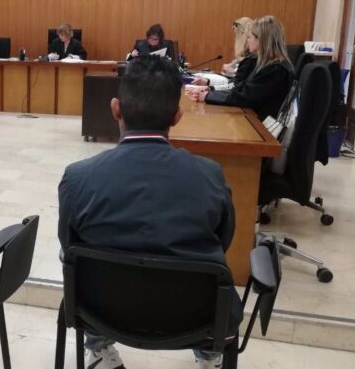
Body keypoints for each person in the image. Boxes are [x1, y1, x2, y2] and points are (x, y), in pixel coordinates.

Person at [58, 55, 241, 369]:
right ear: (177, 116)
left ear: (116, 109)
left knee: (75, 257)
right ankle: (210, 355)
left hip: (100, 311)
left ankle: (99, 349)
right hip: (196, 316)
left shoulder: (77, 177)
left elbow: (67, 242)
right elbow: (223, 240)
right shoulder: (211, 175)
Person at [187, 15, 293, 120]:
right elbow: (241, 88)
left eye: (249, 37)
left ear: (261, 40)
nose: (247, 41)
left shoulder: (275, 69)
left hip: (260, 125)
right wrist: (210, 91)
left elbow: (245, 97)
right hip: (254, 118)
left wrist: (207, 96)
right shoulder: (267, 64)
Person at [191, 17, 257, 91]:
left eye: (249, 37)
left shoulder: (251, 59)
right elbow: (235, 84)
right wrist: (209, 83)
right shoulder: (248, 57)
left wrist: (210, 89)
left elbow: (235, 86)